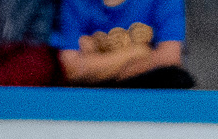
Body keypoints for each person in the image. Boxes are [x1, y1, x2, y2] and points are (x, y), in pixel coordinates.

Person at [53, 0, 191, 86]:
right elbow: (72, 69)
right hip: (90, 103)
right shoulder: (75, 3)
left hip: (148, 101)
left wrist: (95, 61)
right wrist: (138, 52)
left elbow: (169, 59)